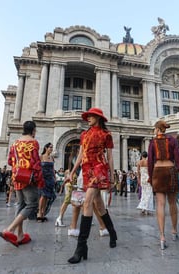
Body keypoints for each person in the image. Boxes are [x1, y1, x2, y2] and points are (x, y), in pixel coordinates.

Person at [65, 107, 117, 264]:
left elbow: (110, 157)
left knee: (87, 202)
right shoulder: (84, 134)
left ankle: (81, 247)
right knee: (99, 206)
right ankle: (113, 233)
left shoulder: (106, 135)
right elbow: (81, 154)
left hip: (99, 169)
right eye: (87, 116)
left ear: (98, 118)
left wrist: (112, 177)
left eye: (91, 116)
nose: (88, 118)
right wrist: (73, 171)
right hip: (87, 170)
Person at [0, 121, 43, 247]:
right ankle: (10, 229)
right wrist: (39, 179)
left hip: (17, 176)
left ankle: (20, 235)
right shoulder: (34, 143)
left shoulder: (15, 143)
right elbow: (35, 162)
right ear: (33, 130)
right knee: (32, 205)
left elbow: (10, 161)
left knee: (21, 204)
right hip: (29, 178)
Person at [148, 120, 179, 250]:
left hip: (158, 172)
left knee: (160, 204)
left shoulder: (152, 142)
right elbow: (178, 161)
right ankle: (174, 231)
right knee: (172, 203)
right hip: (171, 171)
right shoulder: (172, 141)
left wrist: (150, 177)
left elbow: (150, 161)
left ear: (157, 129)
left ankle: (161, 236)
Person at [37, 143, 56, 222]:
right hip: (43, 178)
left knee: (47, 196)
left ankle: (43, 213)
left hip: (50, 179)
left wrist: (54, 177)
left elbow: (52, 169)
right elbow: (38, 168)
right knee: (43, 196)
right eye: (50, 147)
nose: (51, 149)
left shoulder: (52, 157)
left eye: (52, 147)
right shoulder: (41, 157)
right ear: (46, 148)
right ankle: (39, 213)